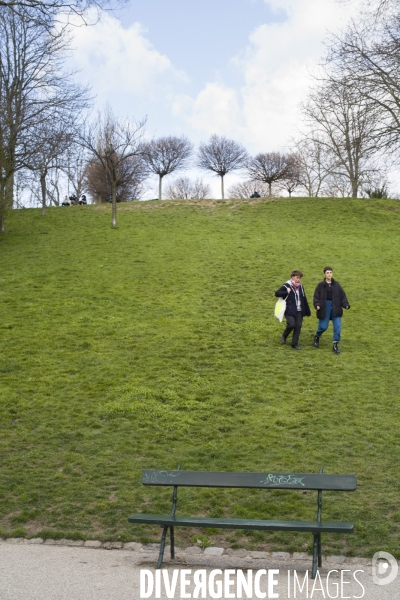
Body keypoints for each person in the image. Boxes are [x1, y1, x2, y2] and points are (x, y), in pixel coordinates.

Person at [313, 267, 350, 355]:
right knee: (323, 326)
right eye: (327, 273)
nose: (329, 274)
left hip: (336, 306)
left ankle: (335, 344)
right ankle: (317, 336)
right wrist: (317, 304)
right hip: (324, 307)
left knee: (337, 326)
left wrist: (345, 304)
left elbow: (342, 295)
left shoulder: (337, 284)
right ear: (324, 274)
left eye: (330, 272)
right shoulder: (320, 285)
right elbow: (316, 296)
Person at [275, 269, 311, 350]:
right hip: (289, 310)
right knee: (292, 324)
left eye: (299, 278)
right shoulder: (286, 285)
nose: (298, 279)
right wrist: (286, 292)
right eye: (297, 277)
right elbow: (277, 293)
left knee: (298, 326)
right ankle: (284, 335)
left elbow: (304, 298)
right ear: (292, 277)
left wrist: (307, 311)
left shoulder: (301, 286)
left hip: (299, 310)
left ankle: (294, 344)